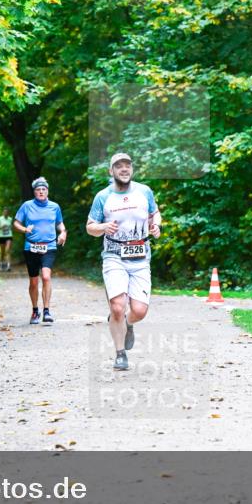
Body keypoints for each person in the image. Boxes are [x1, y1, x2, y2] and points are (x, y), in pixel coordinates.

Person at [86, 153, 161, 370]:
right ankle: (120, 354)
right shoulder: (103, 196)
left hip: (140, 257)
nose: (124, 169)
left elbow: (155, 214)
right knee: (117, 306)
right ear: (111, 171)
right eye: (119, 166)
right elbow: (90, 227)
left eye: (127, 165)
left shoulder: (144, 191)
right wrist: (103, 227)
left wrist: (157, 226)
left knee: (139, 311)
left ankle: (127, 323)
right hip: (113, 257)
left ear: (132, 170)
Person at [14, 177, 67, 325]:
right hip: (31, 246)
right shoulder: (27, 206)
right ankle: (35, 310)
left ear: (47, 191)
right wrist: (24, 229)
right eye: (38, 189)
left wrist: (63, 233)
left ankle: (47, 311)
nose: (41, 191)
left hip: (49, 246)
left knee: (46, 276)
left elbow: (60, 223)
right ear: (34, 192)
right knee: (33, 281)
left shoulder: (54, 206)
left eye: (43, 189)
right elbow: (16, 223)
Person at [0, 207, 13, 271]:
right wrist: (1, 227)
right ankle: (1, 264)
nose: (5, 213)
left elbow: (12, 227)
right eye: (4, 212)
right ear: (2, 213)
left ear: (8, 213)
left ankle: (8, 266)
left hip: (9, 236)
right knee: (2, 252)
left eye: (7, 212)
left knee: (7, 250)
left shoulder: (10, 219)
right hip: (1, 236)